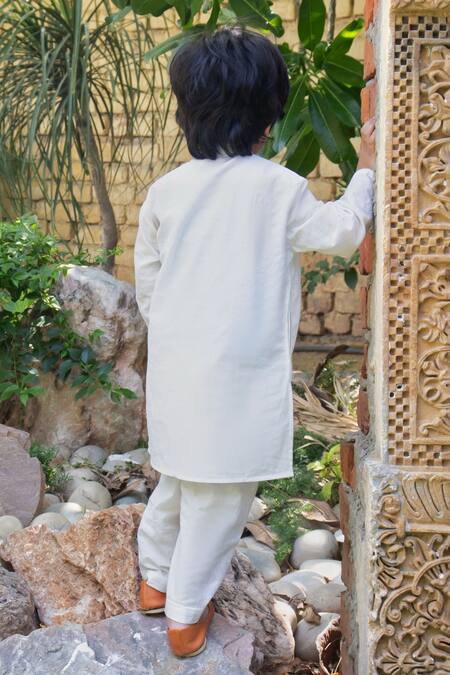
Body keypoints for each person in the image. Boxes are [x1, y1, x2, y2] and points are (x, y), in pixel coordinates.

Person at [134, 26, 375, 659]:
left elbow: (148, 283)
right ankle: (185, 616)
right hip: (236, 381)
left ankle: (154, 580)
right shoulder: (277, 188)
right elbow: (340, 233)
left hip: (178, 372)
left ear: (187, 113)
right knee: (222, 498)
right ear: (268, 119)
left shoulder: (165, 192)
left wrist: (180, 335)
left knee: (178, 480)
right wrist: (365, 182)